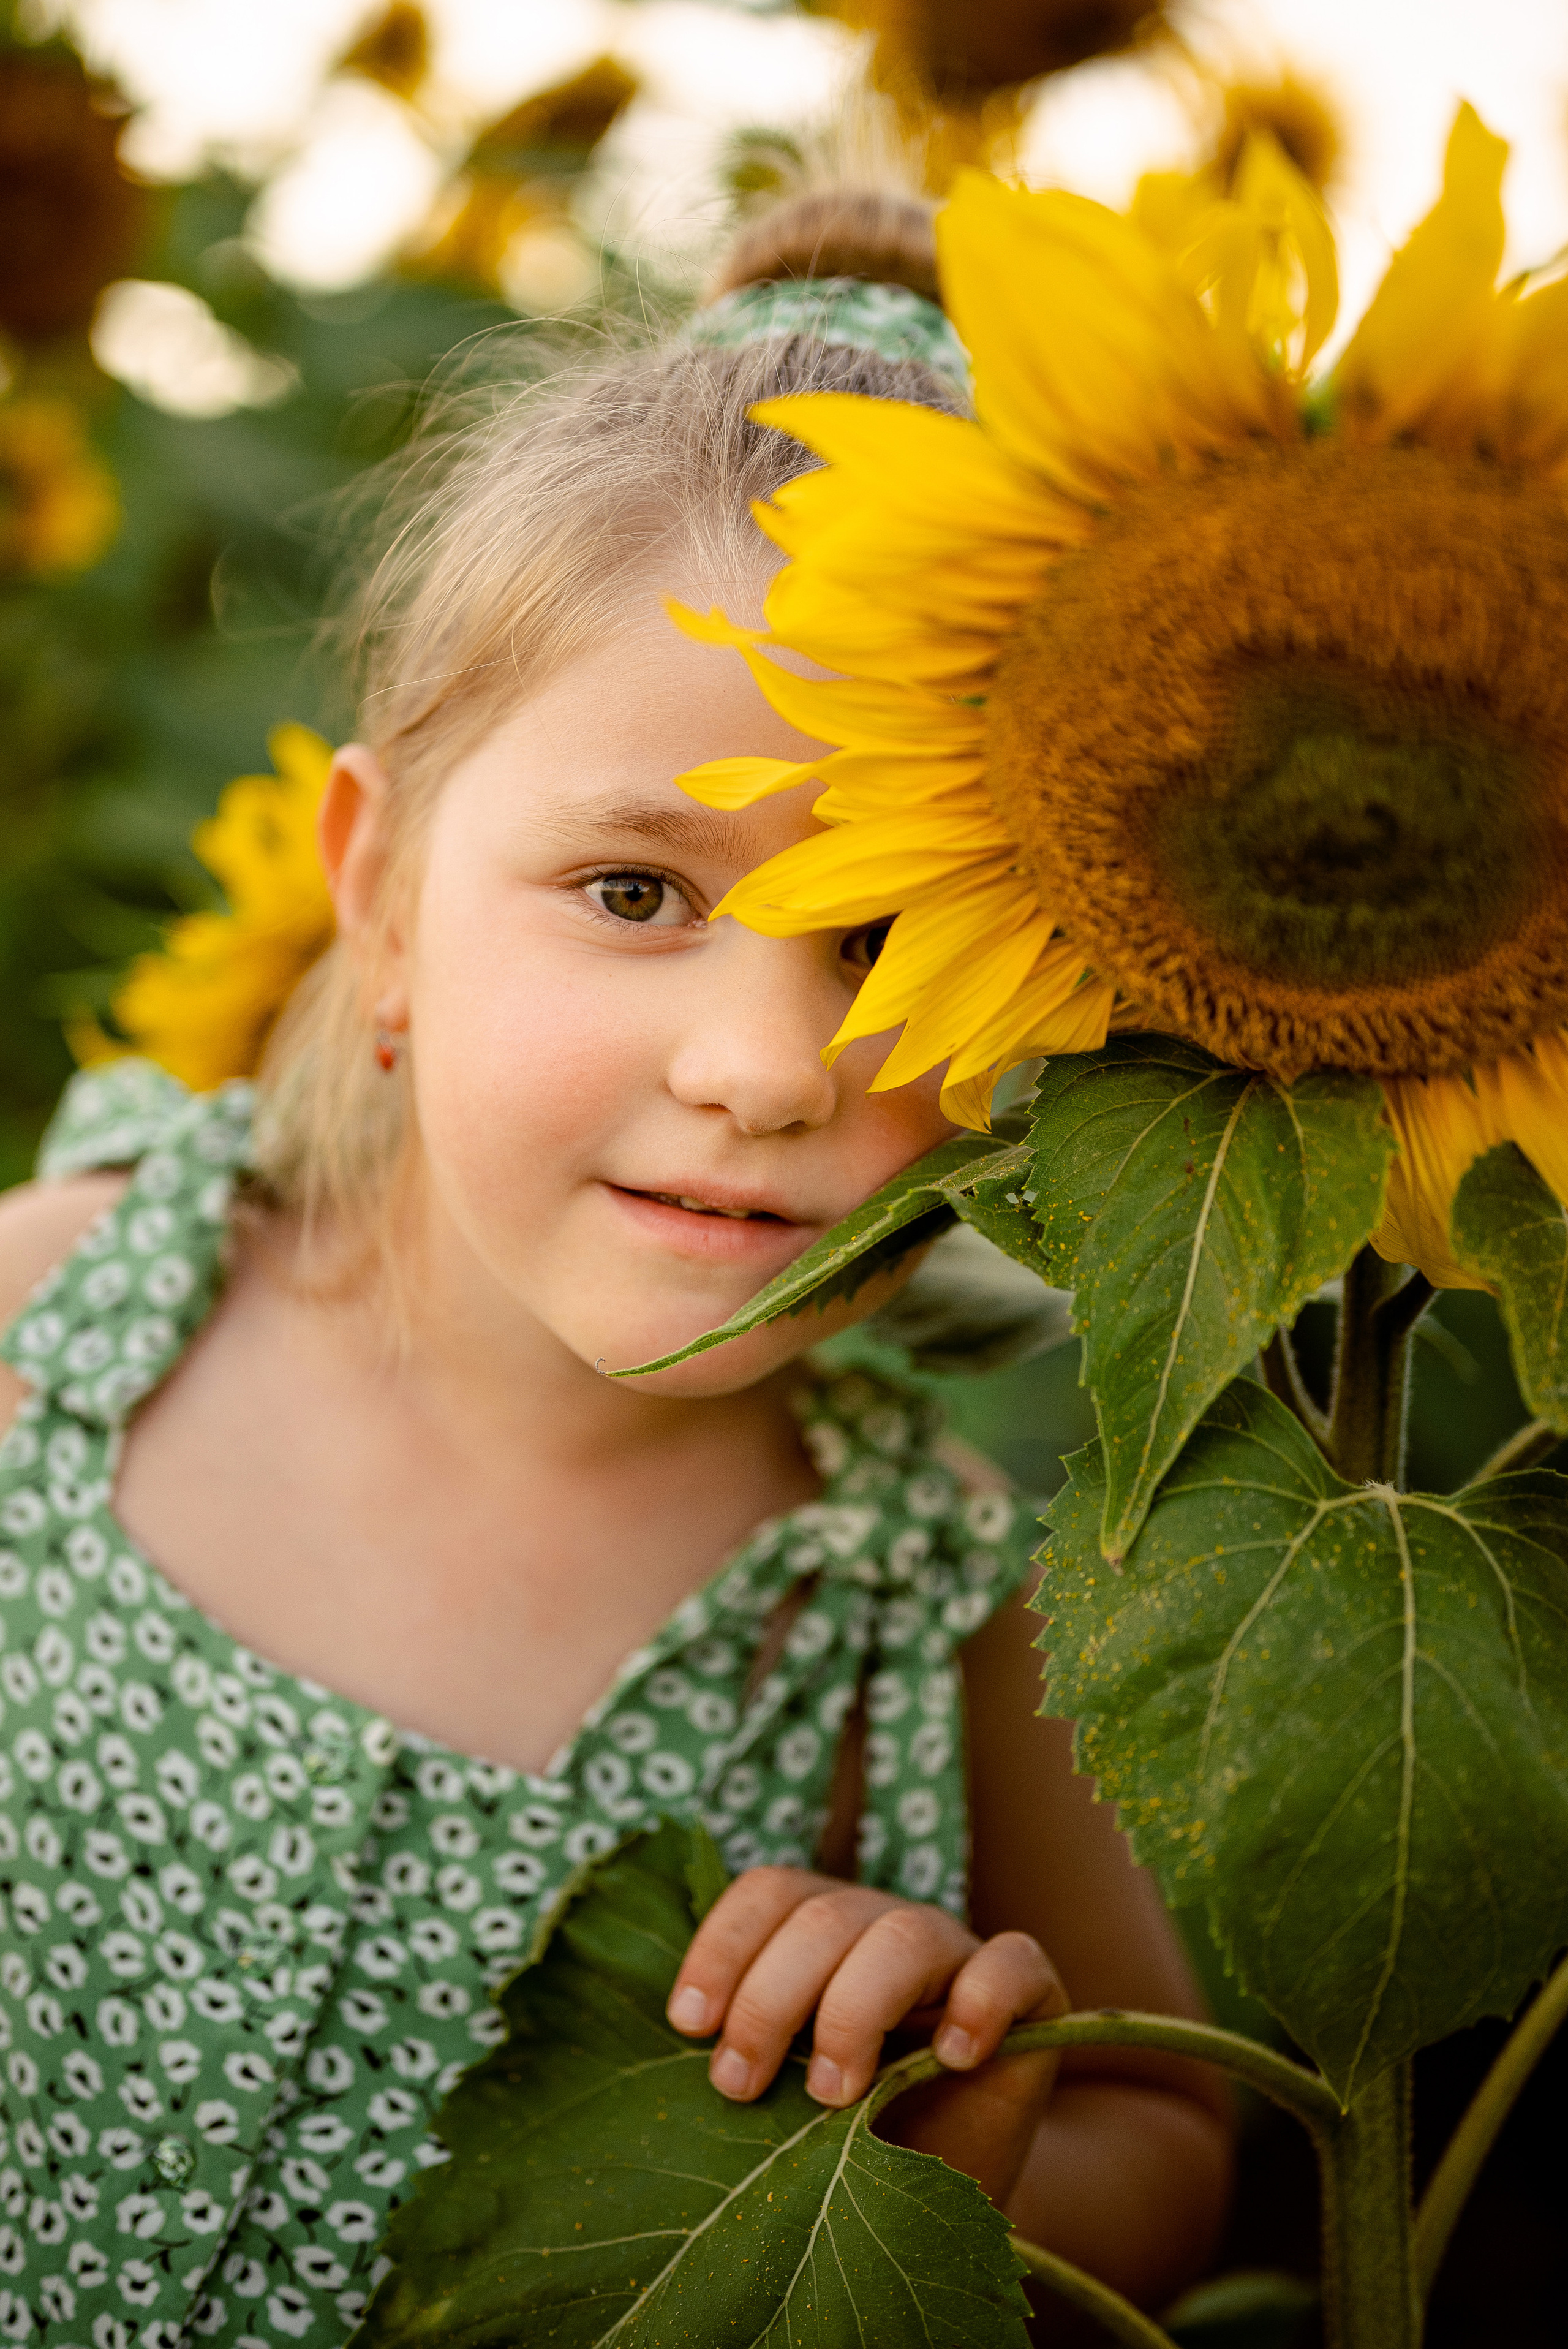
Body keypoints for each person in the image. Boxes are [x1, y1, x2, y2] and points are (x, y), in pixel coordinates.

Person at [0, 184, 1231, 2347]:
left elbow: (1172, 2134)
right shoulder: (58, 1319)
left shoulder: (911, 1597)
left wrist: (966, 2107)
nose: (767, 1068)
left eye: (891, 939)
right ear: (378, 896)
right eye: (638, 891)